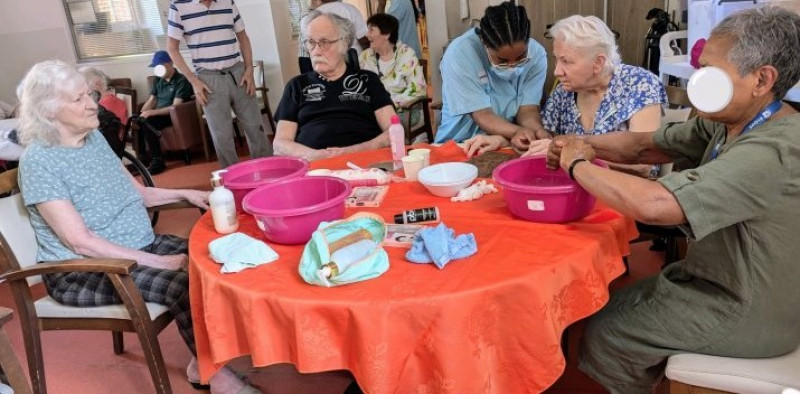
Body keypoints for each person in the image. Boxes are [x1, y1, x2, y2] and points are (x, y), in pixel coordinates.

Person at [544, 8, 800, 393]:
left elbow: (657, 204)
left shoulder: (774, 150)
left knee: (607, 333)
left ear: (762, 79)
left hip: (749, 307)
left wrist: (577, 163)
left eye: (710, 72)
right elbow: (645, 145)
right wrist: (582, 143)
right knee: (601, 305)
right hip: (712, 277)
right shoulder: (729, 120)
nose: (697, 82)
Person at [15, 60, 258, 394]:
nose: (92, 104)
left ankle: (202, 360)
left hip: (138, 246)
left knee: (215, 256)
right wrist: (161, 262)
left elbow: (140, 193)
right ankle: (218, 378)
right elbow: (81, 242)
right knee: (180, 282)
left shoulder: (95, 139)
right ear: (49, 110)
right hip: (84, 269)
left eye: (90, 94)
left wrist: (187, 192)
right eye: (78, 99)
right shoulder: (39, 162)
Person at [513, 15, 666, 178]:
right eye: (556, 60)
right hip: (579, 185)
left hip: (627, 190)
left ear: (598, 63)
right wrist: (515, 139)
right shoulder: (564, 91)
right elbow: (546, 137)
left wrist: (572, 154)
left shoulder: (639, 84)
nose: (557, 71)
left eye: (566, 61)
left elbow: (643, 166)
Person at [274, 11, 396, 161]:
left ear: (344, 44)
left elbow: (394, 130)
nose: (316, 51)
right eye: (311, 42)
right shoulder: (297, 86)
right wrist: (315, 156)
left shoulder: (367, 80)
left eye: (324, 42)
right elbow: (280, 144)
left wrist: (354, 151)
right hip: (315, 169)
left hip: (364, 163)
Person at [167, 0, 272, 169]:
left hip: (238, 73)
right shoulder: (178, 6)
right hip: (208, 80)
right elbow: (172, 48)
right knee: (222, 137)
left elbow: (243, 37)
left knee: (255, 128)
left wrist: (249, 70)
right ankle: (233, 181)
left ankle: (269, 171)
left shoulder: (227, 2)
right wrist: (194, 81)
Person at [436, 1, 548, 156]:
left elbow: (528, 109)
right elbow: (483, 115)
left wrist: (537, 132)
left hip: (504, 140)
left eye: (521, 58)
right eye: (502, 61)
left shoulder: (537, 54)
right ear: (484, 42)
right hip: (461, 142)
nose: (513, 66)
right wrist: (520, 131)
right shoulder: (460, 54)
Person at [359, 13, 427, 131]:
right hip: (372, 111)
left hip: (403, 110)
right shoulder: (365, 57)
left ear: (386, 34)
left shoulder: (406, 54)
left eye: (371, 30)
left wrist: (390, 105)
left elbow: (417, 89)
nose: (367, 34)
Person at [133, 50, 194, 175]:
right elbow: (152, 100)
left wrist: (151, 114)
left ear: (170, 63)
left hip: (175, 116)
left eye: (160, 66)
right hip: (158, 115)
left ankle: (158, 161)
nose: (157, 70)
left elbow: (175, 107)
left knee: (148, 121)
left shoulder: (181, 80)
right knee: (139, 121)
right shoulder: (157, 81)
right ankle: (142, 159)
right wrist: (141, 114)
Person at [298, 0, 370, 72]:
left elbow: (310, 40)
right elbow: (363, 39)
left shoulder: (314, 15)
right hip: (354, 59)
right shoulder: (350, 9)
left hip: (325, 60)